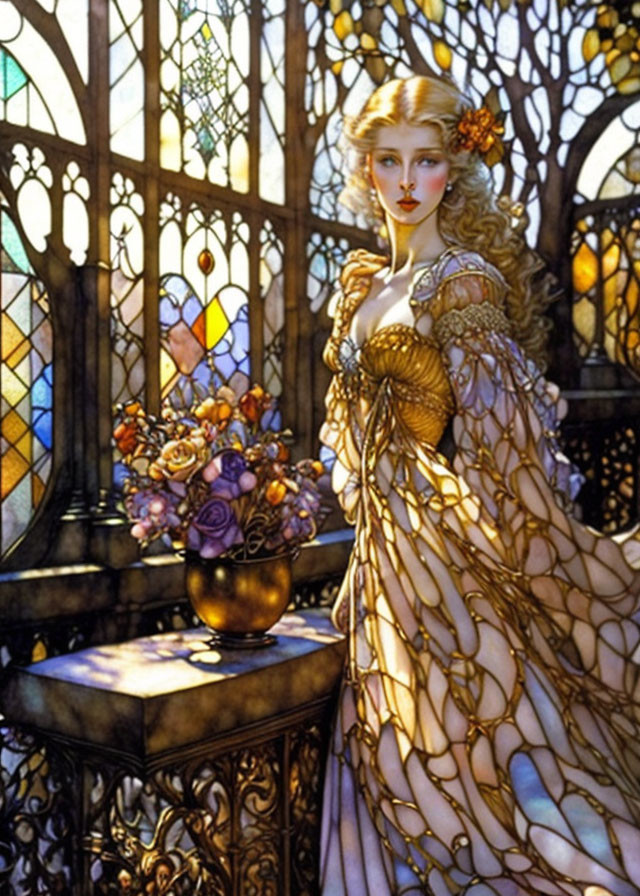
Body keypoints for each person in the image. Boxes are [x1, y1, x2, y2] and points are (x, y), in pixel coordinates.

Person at [319, 74, 640, 896]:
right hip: (382, 571)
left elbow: (507, 449)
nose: (403, 183)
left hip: (448, 567)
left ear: (454, 170)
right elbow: (352, 456)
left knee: (492, 794)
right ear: (366, 170)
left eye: (423, 161)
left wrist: (563, 556)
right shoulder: (361, 289)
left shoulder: (459, 282)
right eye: (387, 161)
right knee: (394, 779)